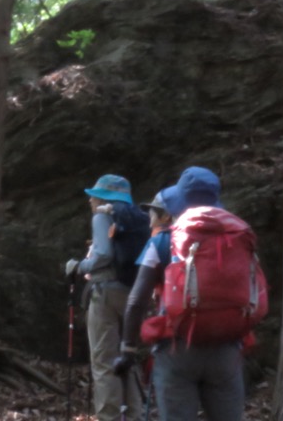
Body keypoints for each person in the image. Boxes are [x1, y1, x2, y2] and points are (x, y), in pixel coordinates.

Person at [113, 166, 246, 421]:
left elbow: (136, 300)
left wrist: (127, 350)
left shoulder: (162, 242)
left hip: (177, 348)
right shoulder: (236, 239)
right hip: (227, 348)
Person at [65, 174, 145, 421]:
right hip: (134, 293)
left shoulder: (103, 215)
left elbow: (102, 255)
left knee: (103, 362)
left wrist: (78, 266)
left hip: (105, 293)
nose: (90, 201)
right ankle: (136, 415)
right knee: (129, 357)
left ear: (102, 197)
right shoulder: (138, 218)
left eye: (93, 196)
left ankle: (109, 417)